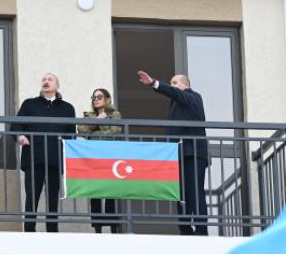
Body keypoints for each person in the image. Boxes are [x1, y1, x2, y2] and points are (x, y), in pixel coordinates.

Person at [136, 70, 209, 236]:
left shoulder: (193, 96)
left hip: (193, 153)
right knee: (181, 195)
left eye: (175, 83)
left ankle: (201, 231)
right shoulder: (177, 102)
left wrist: (154, 83)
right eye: (171, 83)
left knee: (194, 192)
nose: (172, 86)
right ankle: (185, 231)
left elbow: (177, 94)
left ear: (186, 84)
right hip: (179, 154)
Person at [11, 73, 76, 233]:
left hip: (55, 159)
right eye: (44, 80)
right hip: (34, 158)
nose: (46, 82)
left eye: (50, 79)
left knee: (53, 199)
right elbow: (16, 125)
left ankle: (52, 232)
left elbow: (71, 136)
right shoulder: (29, 104)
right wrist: (20, 136)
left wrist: (68, 161)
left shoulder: (67, 108)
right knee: (32, 196)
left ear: (57, 86)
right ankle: (29, 231)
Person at [77, 88, 124, 234]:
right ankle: (97, 229)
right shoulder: (89, 115)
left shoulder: (115, 114)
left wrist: (94, 133)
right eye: (94, 97)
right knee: (95, 193)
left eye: (99, 96)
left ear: (108, 99)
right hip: (94, 158)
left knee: (111, 192)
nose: (96, 99)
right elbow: (82, 130)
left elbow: (115, 132)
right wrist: (98, 120)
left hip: (110, 158)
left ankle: (113, 228)